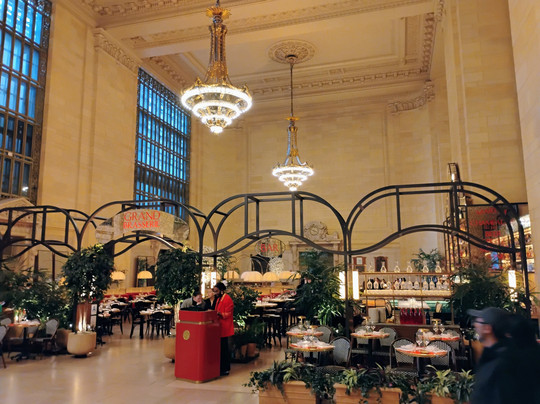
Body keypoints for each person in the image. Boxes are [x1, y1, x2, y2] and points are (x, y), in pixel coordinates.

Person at [468, 307, 540, 404]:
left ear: (487, 328)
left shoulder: (503, 363)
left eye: (478, 322)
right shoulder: (492, 356)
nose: (475, 324)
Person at [213, 282, 234, 376]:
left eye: (216, 291)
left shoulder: (227, 299)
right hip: (219, 326)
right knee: (221, 348)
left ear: (221, 291)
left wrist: (220, 314)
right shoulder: (218, 299)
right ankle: (221, 367)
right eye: (214, 291)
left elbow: (229, 313)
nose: (215, 293)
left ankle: (225, 368)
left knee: (224, 348)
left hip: (225, 327)